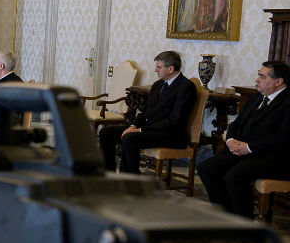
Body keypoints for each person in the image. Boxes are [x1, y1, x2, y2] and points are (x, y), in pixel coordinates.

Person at [200, 61, 290, 217]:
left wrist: (249, 147)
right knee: (206, 167)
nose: (257, 80)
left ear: (278, 81)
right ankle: (224, 214)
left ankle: (244, 221)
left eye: (262, 77)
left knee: (235, 176)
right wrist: (230, 140)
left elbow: (283, 137)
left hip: (274, 157)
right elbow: (236, 123)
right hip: (244, 151)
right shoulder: (255, 97)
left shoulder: (287, 101)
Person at [97, 51, 196, 174]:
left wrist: (140, 130)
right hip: (150, 129)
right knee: (106, 133)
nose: (155, 70)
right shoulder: (158, 85)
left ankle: (131, 180)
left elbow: (174, 120)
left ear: (170, 69)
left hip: (171, 134)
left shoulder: (186, 87)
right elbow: (145, 112)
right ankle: (108, 173)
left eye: (159, 67)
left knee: (129, 138)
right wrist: (134, 126)